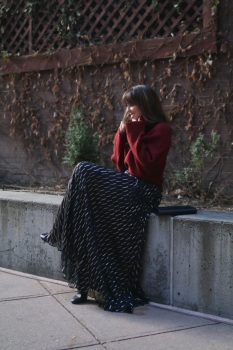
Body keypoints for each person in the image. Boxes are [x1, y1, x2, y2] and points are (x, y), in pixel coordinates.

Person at [40, 84, 172, 313]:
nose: (129, 109)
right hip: (127, 184)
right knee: (84, 207)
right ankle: (83, 284)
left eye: (132, 104)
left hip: (144, 190)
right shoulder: (134, 128)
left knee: (82, 169)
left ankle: (59, 231)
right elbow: (119, 164)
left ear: (145, 104)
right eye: (127, 104)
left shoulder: (161, 130)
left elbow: (146, 169)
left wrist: (132, 133)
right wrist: (121, 135)